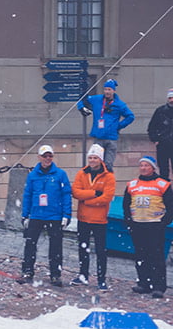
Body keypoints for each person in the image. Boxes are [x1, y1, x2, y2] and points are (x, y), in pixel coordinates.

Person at [17, 145, 72, 286]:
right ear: (39, 157)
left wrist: (66, 214)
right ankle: (28, 270)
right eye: (45, 156)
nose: (47, 159)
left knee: (56, 247)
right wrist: (25, 215)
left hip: (54, 215)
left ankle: (55, 274)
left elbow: (66, 195)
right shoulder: (33, 175)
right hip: (36, 214)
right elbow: (27, 195)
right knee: (30, 244)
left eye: (50, 156)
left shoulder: (60, 175)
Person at [122, 156, 173, 298]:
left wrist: (164, 222)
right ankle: (144, 283)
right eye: (141, 165)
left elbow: (170, 205)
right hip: (138, 225)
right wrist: (128, 220)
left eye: (146, 165)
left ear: (153, 168)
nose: (143, 168)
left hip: (155, 225)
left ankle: (158, 286)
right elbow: (126, 204)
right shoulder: (132, 184)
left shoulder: (162, 184)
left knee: (156, 256)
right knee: (140, 255)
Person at [70, 144, 115, 290]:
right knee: (83, 248)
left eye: (95, 158)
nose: (92, 160)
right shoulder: (82, 174)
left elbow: (107, 197)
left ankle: (101, 279)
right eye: (90, 157)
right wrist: (94, 193)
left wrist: (87, 200)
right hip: (83, 218)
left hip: (99, 219)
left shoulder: (108, 176)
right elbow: (76, 192)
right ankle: (83, 275)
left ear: (100, 159)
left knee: (101, 251)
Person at [77, 79, 134, 172]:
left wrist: (118, 126)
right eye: (105, 89)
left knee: (108, 165)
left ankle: (107, 184)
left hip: (111, 138)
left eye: (109, 89)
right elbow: (82, 99)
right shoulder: (97, 99)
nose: (107, 92)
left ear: (114, 91)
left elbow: (130, 116)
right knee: (95, 164)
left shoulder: (120, 104)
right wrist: (81, 108)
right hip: (98, 136)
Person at [147, 88, 173, 181]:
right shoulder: (160, 111)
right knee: (163, 170)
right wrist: (155, 139)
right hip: (163, 144)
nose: (172, 100)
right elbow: (151, 127)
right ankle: (165, 192)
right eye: (170, 98)